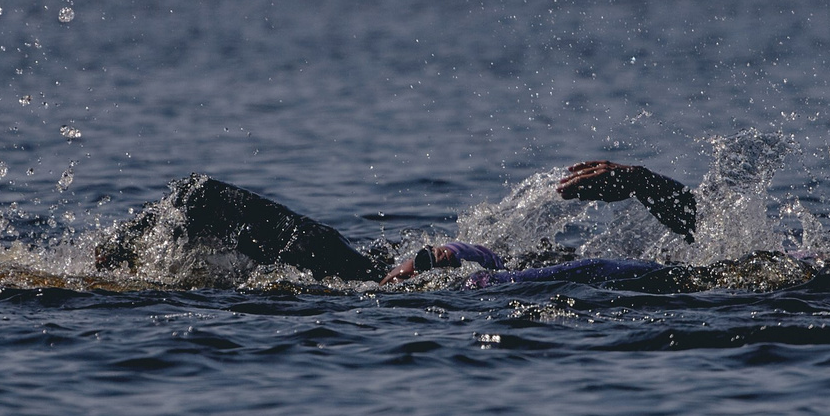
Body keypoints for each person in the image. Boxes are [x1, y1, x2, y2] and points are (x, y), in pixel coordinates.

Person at [94, 160, 701, 286]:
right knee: (196, 200)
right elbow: (705, 226)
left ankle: (118, 266)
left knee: (198, 199)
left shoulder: (653, 279)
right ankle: (124, 263)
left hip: (384, 280)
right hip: (393, 275)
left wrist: (440, 257)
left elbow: (489, 268)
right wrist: (640, 182)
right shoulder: (698, 271)